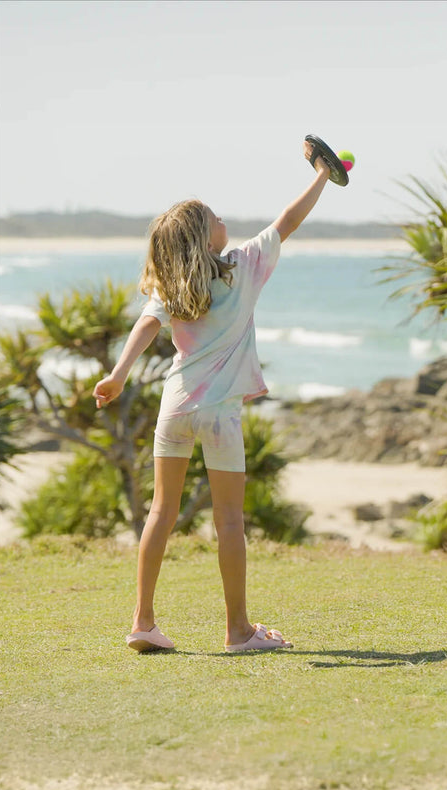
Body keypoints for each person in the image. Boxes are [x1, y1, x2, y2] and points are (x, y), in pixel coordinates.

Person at [93, 140, 334, 651]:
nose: (225, 221)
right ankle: (239, 631)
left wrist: (117, 375)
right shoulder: (242, 266)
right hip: (220, 416)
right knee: (228, 519)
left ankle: (143, 622)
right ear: (206, 237)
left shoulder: (174, 288)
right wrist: (322, 174)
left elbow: (143, 329)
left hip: (175, 408)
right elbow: (287, 221)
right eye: (216, 217)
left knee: (162, 511)